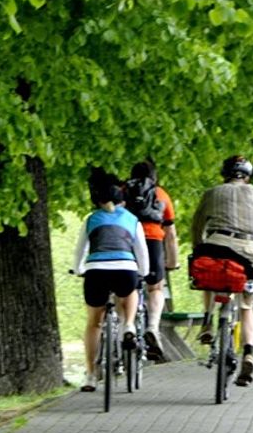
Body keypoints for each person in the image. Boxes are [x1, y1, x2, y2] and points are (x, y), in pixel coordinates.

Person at [189, 155, 253, 387]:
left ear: (224, 174)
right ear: (247, 176)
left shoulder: (213, 192)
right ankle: (248, 352)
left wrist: (198, 248)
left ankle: (208, 322)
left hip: (218, 243)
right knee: (247, 306)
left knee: (209, 275)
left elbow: (197, 224)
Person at [71, 168, 150, 392]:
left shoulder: (91, 219)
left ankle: (90, 374)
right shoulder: (132, 219)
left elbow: (80, 251)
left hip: (96, 270)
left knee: (94, 323)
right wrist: (142, 273)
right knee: (130, 291)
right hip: (124, 269)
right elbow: (141, 252)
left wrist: (78, 270)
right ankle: (128, 325)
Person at [123, 159, 178, 362]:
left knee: (126, 288)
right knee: (155, 288)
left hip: (126, 239)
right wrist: (172, 261)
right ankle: (153, 327)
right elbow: (170, 233)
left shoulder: (122, 190)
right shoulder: (161, 194)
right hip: (153, 240)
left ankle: (124, 326)